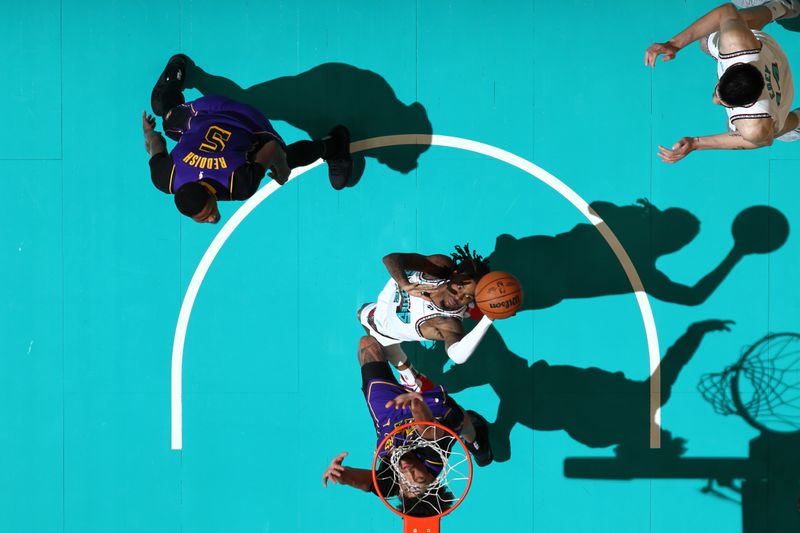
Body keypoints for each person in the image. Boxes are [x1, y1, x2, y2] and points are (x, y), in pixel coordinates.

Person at [142, 54, 353, 224]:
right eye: (205, 217)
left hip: (243, 119)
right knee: (167, 117)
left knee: (285, 157)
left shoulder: (239, 184)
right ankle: (172, 80)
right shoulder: (164, 176)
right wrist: (149, 133)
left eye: (210, 210)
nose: (213, 217)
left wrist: (282, 168)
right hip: (203, 115)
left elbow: (270, 148)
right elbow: (157, 144)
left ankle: (335, 145)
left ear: (208, 191)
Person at [321, 336, 492, 515]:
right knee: (462, 419)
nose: (408, 474)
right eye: (418, 480)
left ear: (400, 491)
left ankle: (399, 351)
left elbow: (367, 483)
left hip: (389, 414)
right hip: (432, 411)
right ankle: (477, 444)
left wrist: (342, 476)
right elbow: (427, 429)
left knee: (367, 344)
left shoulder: (390, 484)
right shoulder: (433, 459)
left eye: (406, 484)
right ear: (429, 478)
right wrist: (415, 403)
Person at [645, 1, 800, 162]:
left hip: (777, 99)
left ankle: (798, 120)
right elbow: (726, 11)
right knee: (717, 33)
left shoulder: (754, 124)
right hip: (770, 58)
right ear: (733, 69)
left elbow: (764, 140)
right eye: (718, 91)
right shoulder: (738, 45)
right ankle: (782, 6)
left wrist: (696, 143)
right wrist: (674, 44)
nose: (714, 100)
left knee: (750, 130)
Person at [358, 244, 497, 391]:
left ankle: (410, 377)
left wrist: (488, 319)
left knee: (362, 314)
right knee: (368, 313)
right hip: (387, 299)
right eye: (460, 287)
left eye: (468, 297)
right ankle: (410, 376)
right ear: (455, 274)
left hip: (383, 328)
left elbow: (458, 357)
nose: (458, 297)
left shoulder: (448, 323)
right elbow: (391, 259)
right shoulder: (440, 268)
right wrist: (404, 284)